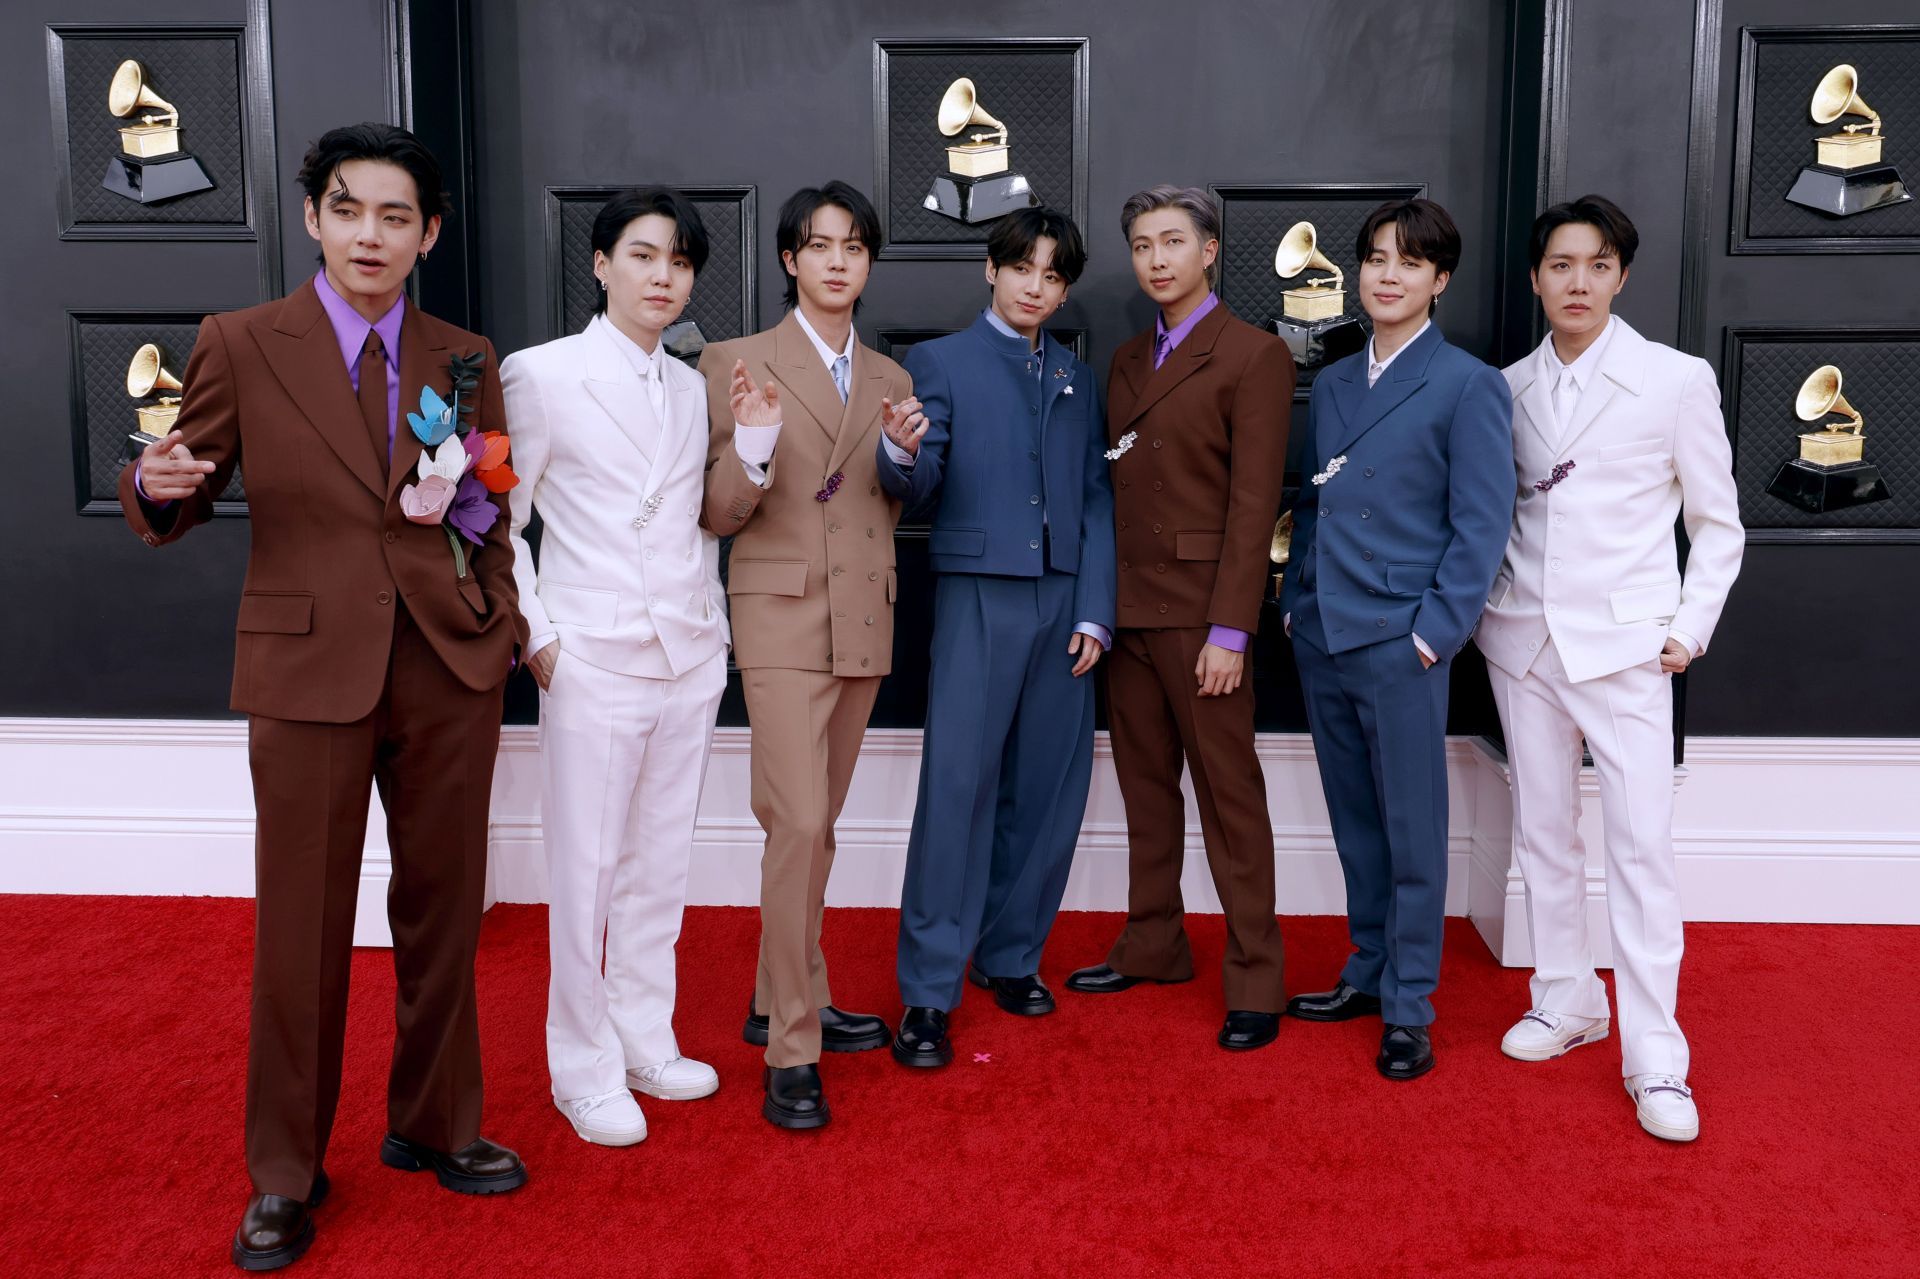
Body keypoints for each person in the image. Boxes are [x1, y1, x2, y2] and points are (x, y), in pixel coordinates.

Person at [121, 122, 529, 1271]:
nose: (369, 235)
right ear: (313, 218)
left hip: (447, 665)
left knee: (446, 908)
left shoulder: (464, 355)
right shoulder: (243, 341)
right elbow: (182, 487)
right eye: (348, 210)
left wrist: (497, 619)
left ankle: (436, 1122)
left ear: (428, 234)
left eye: (396, 216)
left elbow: (486, 500)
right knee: (300, 925)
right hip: (306, 670)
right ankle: (285, 1172)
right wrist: (155, 481)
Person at [1477, 195, 1743, 1141]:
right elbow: (1500, 514)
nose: (1578, 282)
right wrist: (1490, 614)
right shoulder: (1506, 388)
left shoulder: (1675, 380)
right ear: (1537, 277)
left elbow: (1718, 523)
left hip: (1630, 651)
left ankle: (1657, 1056)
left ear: (1621, 276)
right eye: (1561, 265)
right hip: (1523, 644)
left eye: (1596, 265)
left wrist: (1688, 628)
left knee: (1641, 850)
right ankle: (1566, 998)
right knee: (1543, 834)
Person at [502, 187, 729, 1147]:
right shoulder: (541, 374)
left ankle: (644, 1038)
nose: (661, 276)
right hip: (591, 657)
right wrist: (539, 635)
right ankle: (582, 1066)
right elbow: (499, 520)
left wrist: (712, 627)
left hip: (688, 654)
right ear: (601, 265)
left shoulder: (691, 384)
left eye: (678, 260)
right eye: (642, 255)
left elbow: (691, 523)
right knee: (585, 875)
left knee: (659, 866)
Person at [698, 180, 922, 1128]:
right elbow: (717, 514)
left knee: (817, 826)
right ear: (790, 258)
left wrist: (904, 460)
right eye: (820, 245)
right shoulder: (734, 361)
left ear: (868, 263)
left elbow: (887, 499)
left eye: (854, 247)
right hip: (782, 619)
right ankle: (792, 1044)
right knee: (795, 824)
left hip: (862, 614)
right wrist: (752, 447)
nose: (837, 261)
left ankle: (780, 993)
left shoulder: (892, 379)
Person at [1279, 197, 1512, 1082]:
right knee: (1355, 822)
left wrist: (1433, 635)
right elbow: (1315, 499)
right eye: (1376, 257)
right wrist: (1296, 601)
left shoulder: (1468, 383)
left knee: (1413, 829)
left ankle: (1410, 1005)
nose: (1388, 274)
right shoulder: (1336, 380)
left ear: (1439, 280)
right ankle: (1368, 969)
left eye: (1409, 261)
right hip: (1324, 632)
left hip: (1400, 640)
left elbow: (1481, 526)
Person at [877, 207, 1115, 1068]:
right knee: (958, 789)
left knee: (1048, 789)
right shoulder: (940, 361)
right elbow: (921, 480)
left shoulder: (1077, 376)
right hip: (979, 594)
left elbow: (1095, 496)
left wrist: (1094, 609)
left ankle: (1010, 956)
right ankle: (928, 990)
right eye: (1023, 268)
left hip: (1063, 601)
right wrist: (899, 454)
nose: (1035, 287)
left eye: (1053, 275)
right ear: (991, 268)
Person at [1065, 185, 1292, 1053]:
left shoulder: (1254, 354)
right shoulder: (1126, 359)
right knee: (1146, 791)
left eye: (1172, 241)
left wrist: (1232, 631)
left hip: (1205, 620)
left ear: (1209, 250)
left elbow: (1254, 505)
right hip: (1129, 612)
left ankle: (1256, 978)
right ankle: (1153, 941)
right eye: (1141, 245)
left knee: (1230, 801)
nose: (1156, 259)